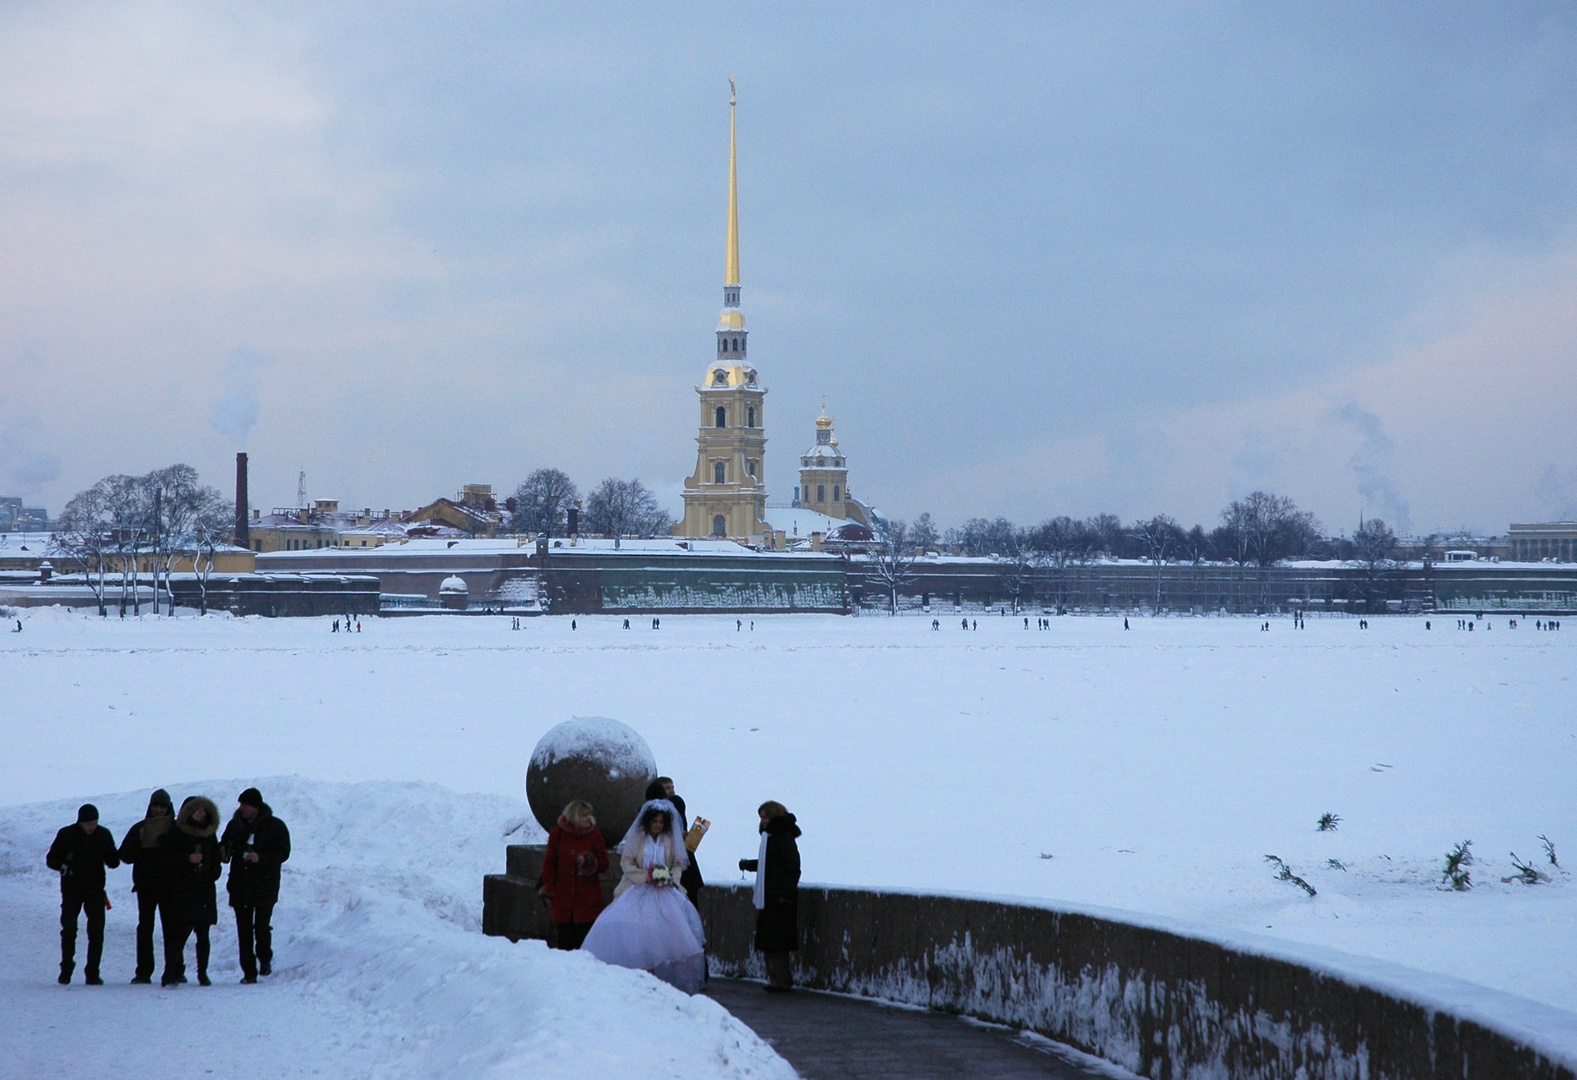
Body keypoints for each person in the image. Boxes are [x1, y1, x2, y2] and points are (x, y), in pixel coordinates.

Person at [581, 800, 706, 994]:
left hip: (665, 892)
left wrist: (668, 878)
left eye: (661, 822)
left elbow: (677, 864)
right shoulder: (637, 838)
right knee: (634, 933)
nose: (658, 825)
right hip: (637, 889)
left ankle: (664, 981)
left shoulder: (670, 839)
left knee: (669, 934)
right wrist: (645, 877)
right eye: (655, 821)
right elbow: (627, 863)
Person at [221, 787, 290, 984]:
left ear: (256, 807)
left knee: (261, 927)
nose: (242, 808)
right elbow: (225, 847)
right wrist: (222, 851)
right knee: (243, 931)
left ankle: (264, 958)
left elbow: (283, 852)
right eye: (241, 804)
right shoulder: (234, 825)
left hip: (265, 885)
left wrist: (261, 858)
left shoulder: (275, 826)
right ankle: (248, 972)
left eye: (246, 804)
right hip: (240, 885)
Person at [46, 804, 120, 985]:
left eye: (95, 823)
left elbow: (114, 862)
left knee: (96, 932)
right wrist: (63, 866)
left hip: (95, 891)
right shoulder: (66, 835)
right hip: (71, 891)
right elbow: (51, 859)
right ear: (80, 822)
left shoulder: (103, 835)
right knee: (69, 930)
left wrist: (112, 857)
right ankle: (66, 969)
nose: (92, 827)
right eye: (88, 823)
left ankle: (93, 972)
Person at [738, 800, 801, 993]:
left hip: (780, 900)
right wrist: (749, 865)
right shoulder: (771, 838)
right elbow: (768, 863)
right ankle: (776, 979)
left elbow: (793, 869)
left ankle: (782, 980)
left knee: (777, 943)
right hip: (770, 898)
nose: (762, 821)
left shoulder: (783, 839)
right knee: (769, 942)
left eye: (765, 817)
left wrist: (784, 894)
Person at [118, 788, 176, 984]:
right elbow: (124, 856)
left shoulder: (176, 829)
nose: (158, 810)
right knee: (145, 929)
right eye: (155, 806)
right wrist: (140, 842)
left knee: (172, 929)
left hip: (170, 887)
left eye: (161, 806)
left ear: (168, 807)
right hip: (146, 886)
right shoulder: (139, 828)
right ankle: (143, 971)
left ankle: (175, 969)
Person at [164, 796, 222, 986]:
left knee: (203, 934)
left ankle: (202, 974)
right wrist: (187, 860)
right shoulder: (177, 832)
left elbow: (215, 859)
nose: (201, 813)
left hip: (204, 888)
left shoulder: (209, 834)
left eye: (204, 811)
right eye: (197, 810)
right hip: (184, 889)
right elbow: (168, 858)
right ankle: (170, 973)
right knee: (179, 934)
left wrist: (213, 869)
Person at [538, 800, 609, 950]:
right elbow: (549, 863)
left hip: (588, 900)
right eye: (584, 815)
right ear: (573, 816)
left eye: (589, 814)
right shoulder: (557, 834)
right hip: (563, 900)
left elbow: (604, 864)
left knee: (584, 944)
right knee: (564, 942)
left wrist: (590, 861)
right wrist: (549, 888)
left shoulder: (594, 835)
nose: (588, 818)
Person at [646, 777, 704, 906]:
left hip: (682, 867)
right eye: (667, 788)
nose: (671, 791)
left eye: (672, 787)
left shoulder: (676, 803)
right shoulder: (672, 804)